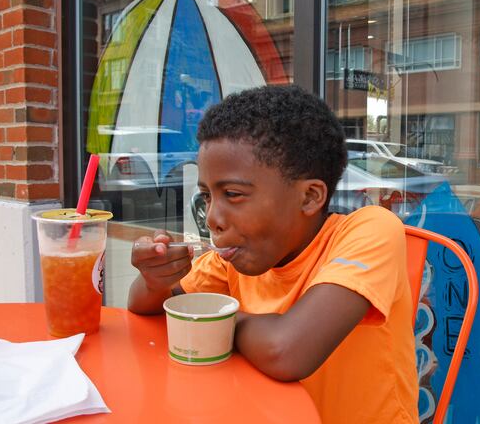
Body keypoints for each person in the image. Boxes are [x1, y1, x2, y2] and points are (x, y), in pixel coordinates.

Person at [127, 85, 420, 424]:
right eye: (207, 196)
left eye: (233, 194)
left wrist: (210, 322)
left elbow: (286, 350)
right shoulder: (236, 256)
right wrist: (154, 280)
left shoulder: (370, 230)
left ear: (310, 197)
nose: (212, 219)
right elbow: (147, 307)